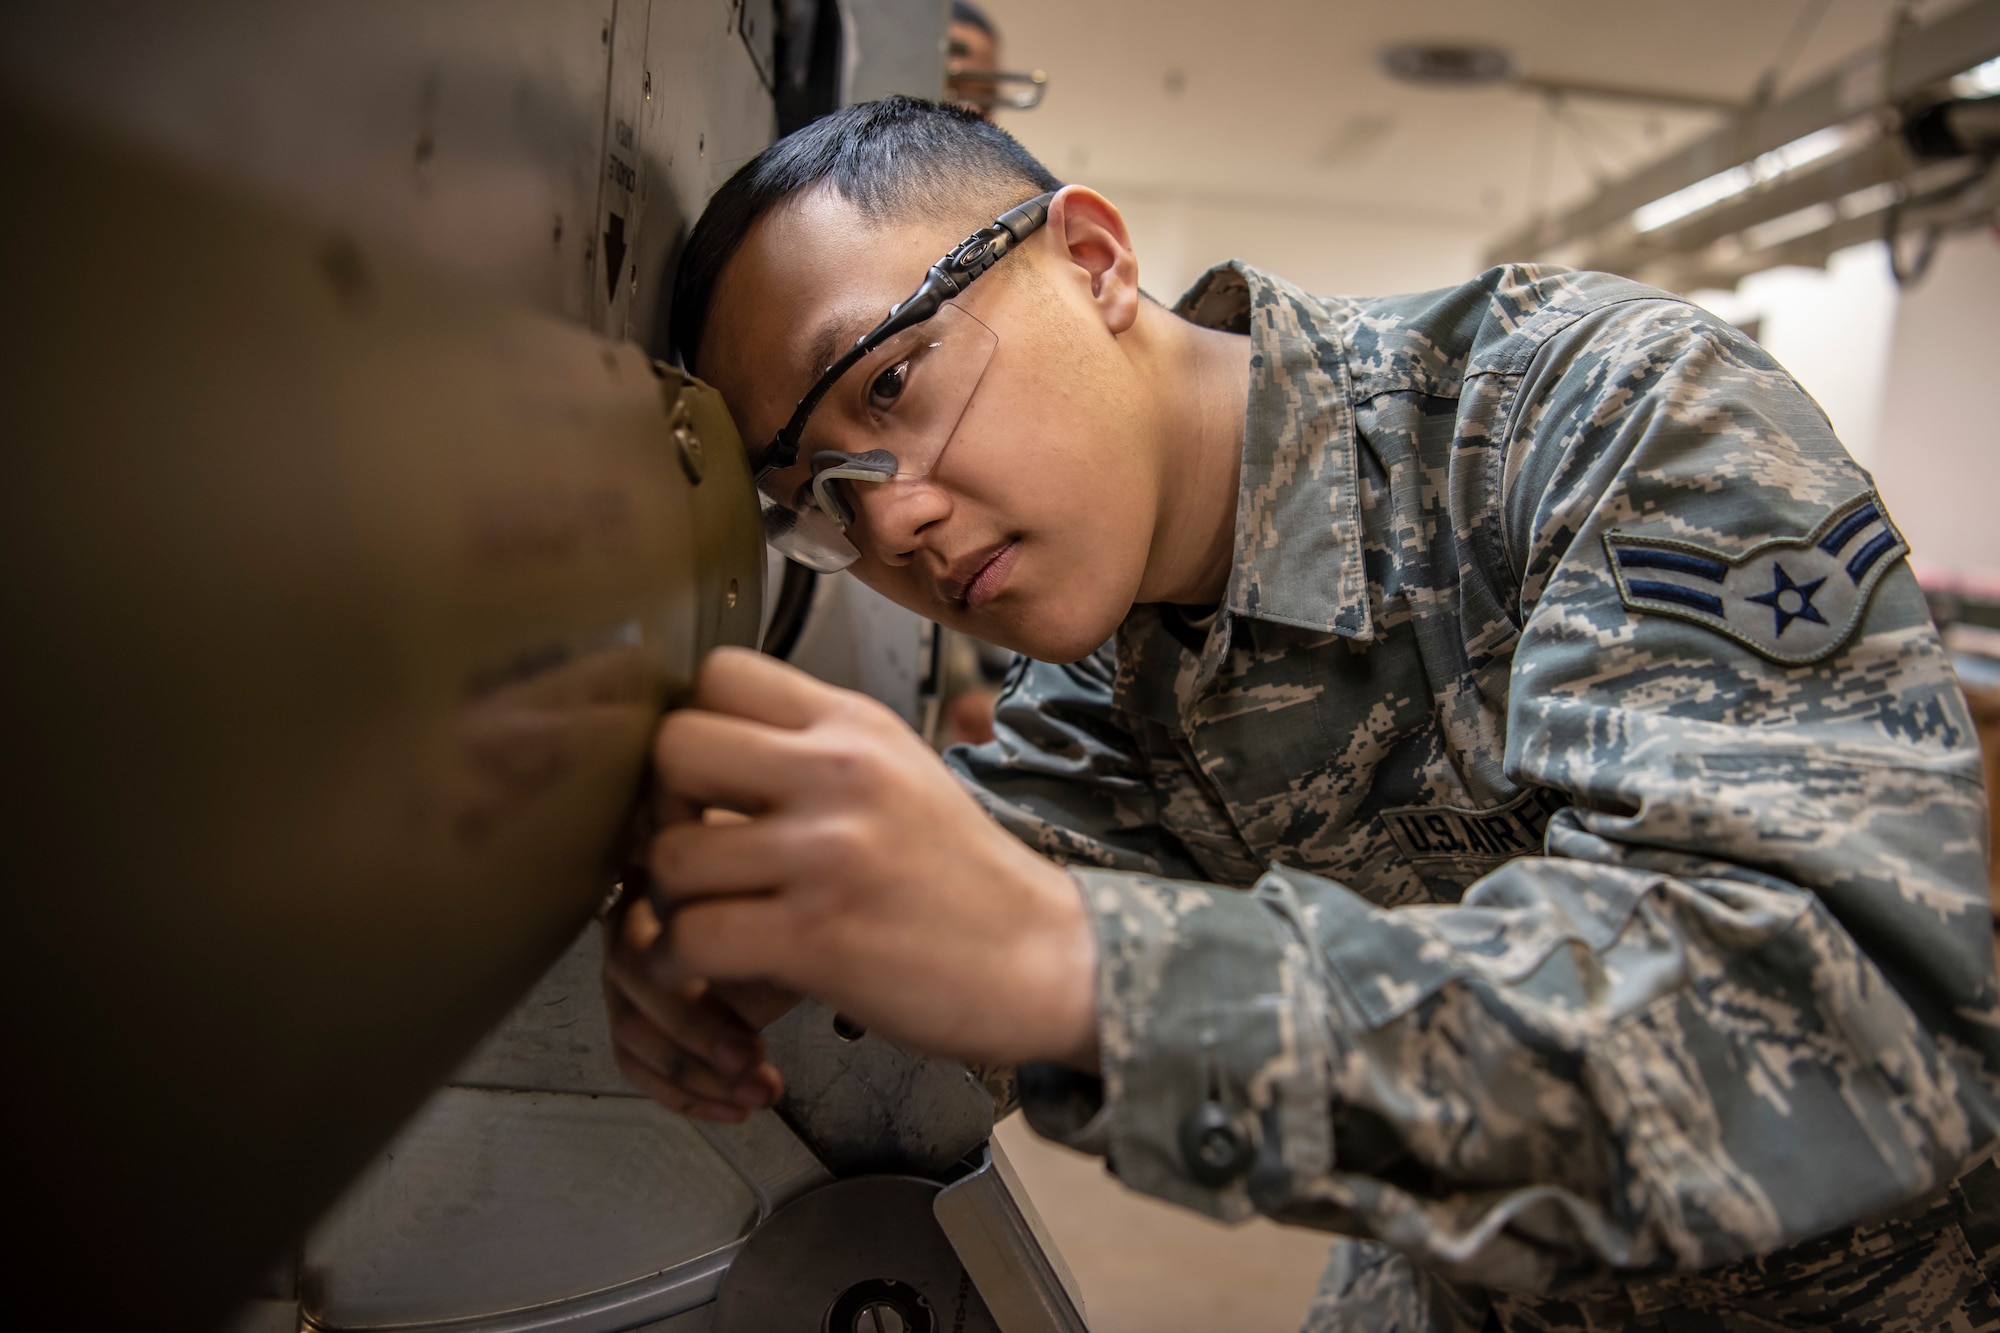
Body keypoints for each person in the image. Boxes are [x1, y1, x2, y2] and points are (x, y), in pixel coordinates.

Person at [600, 97, 2000, 1330]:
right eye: (822, 500)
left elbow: (1823, 1005)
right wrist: (761, 932)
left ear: (1091, 258)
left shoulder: (1601, 418)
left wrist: (1081, 963)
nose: (892, 512)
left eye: (893, 383)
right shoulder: (1102, 677)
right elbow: (987, 876)